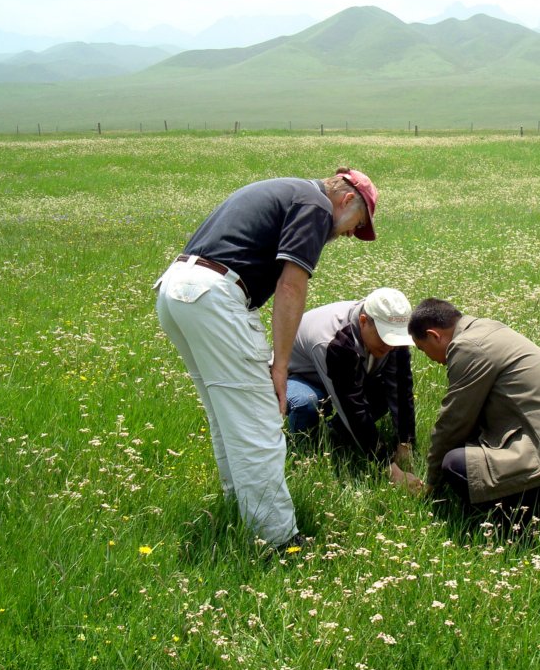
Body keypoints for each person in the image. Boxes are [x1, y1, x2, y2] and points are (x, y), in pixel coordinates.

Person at [154, 167, 378, 549]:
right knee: (259, 425)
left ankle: (239, 511)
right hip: (214, 296)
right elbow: (291, 286)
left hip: (178, 290)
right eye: (356, 224)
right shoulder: (316, 205)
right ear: (346, 200)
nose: (349, 235)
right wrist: (280, 366)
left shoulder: (289, 190)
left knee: (226, 416)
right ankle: (278, 542)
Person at [408, 299, 540, 519]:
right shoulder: (489, 329)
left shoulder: (468, 346)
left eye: (422, 349)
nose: (430, 359)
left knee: (455, 463)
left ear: (434, 335)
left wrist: (432, 485)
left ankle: (510, 524)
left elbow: (453, 424)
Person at [286, 287, 419, 487]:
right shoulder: (334, 341)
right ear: (363, 321)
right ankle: (303, 450)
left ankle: (334, 435)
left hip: (346, 374)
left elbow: (401, 386)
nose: (391, 346)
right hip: (302, 377)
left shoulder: (389, 335)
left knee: (382, 392)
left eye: (395, 338)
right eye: (385, 338)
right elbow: (352, 407)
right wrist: (390, 469)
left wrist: (405, 443)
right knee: (306, 403)